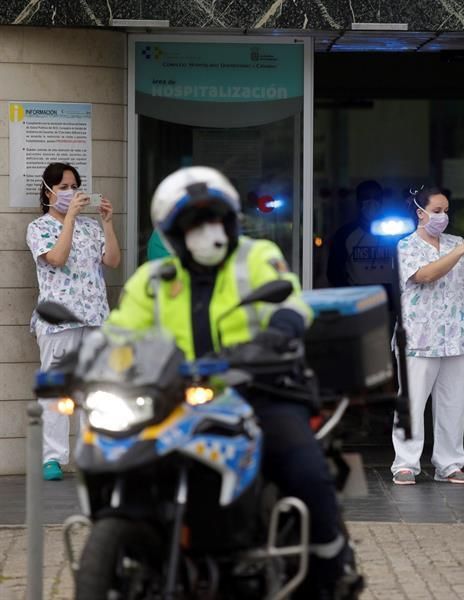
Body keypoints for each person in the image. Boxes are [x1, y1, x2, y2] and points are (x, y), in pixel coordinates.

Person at [106, 166, 361, 596]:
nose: (207, 230)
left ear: (230, 219)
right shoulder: (154, 280)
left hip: (261, 389)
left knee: (303, 469)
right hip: (177, 398)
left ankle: (332, 566)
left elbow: (292, 300)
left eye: (214, 218)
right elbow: (118, 332)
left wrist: (279, 330)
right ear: (172, 233)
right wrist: (85, 361)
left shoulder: (256, 257)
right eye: (193, 222)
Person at [391, 186, 464, 485]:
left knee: (453, 404)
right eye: (437, 211)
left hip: (456, 335)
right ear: (420, 213)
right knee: (412, 402)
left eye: (446, 211)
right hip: (418, 337)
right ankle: (405, 464)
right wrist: (460, 251)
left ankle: (449, 464)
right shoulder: (405, 245)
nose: (443, 216)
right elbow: (424, 275)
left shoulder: (456, 242)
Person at [26, 162, 121, 481]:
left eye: (74, 186)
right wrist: (68, 220)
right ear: (48, 192)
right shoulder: (38, 227)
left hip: (94, 318)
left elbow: (113, 260)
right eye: (63, 187)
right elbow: (56, 258)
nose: (70, 192)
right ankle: (51, 458)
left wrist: (107, 223)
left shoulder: (91, 227)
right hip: (57, 322)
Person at [326, 180, 394, 288]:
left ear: (381, 201)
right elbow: (334, 273)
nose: (372, 202)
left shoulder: (395, 232)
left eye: (376, 197)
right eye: (366, 197)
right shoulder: (345, 234)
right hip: (358, 295)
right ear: (358, 201)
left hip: (390, 295)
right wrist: (350, 291)